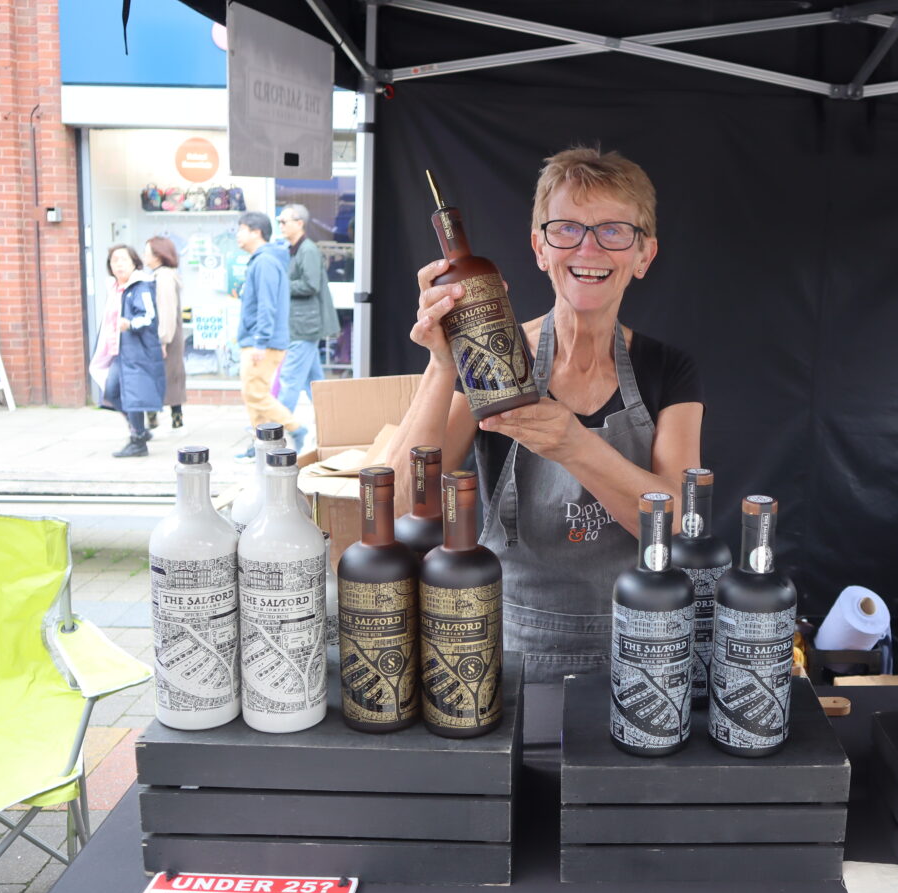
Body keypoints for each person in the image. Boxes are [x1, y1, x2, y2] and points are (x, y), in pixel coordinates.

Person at [385, 147, 704, 682]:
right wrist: (444, 363)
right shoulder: (492, 358)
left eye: (613, 231)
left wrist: (574, 446)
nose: (588, 247)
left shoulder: (668, 369)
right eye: (567, 229)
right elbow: (396, 501)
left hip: (642, 644)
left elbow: (675, 526)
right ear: (540, 247)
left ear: (644, 255)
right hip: (506, 646)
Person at [234, 211, 307, 456]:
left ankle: (297, 429)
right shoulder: (263, 260)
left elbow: (267, 305)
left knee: (255, 394)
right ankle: (260, 445)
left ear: (256, 232)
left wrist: (260, 341)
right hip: (260, 340)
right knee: (254, 395)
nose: (237, 235)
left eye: (241, 229)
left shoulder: (265, 261)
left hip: (263, 342)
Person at [98, 244, 166, 458]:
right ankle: (139, 430)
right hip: (118, 350)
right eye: (114, 260)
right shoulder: (115, 288)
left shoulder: (140, 287)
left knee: (133, 395)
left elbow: (149, 316)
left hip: (137, 351)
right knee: (111, 392)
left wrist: (131, 324)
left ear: (134, 263)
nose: (118, 264)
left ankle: (138, 440)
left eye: (123, 259)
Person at [276, 203, 339, 416]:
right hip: (302, 324)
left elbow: (311, 285)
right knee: (315, 382)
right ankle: (332, 421)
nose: (280, 225)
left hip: (305, 326)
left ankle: (279, 426)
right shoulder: (296, 249)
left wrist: (281, 285)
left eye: (284, 221)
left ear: (299, 223)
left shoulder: (308, 249)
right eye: (279, 221)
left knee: (290, 379)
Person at [143, 237, 187, 429]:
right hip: (168, 334)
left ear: (158, 255)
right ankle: (171, 420)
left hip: (166, 336)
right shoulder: (162, 275)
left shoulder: (164, 277)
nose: (144, 255)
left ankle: (161, 420)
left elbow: (166, 309)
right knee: (169, 376)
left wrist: (163, 339)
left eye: (147, 251)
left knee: (163, 377)